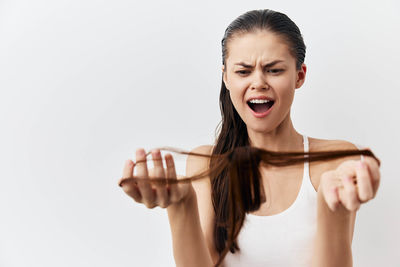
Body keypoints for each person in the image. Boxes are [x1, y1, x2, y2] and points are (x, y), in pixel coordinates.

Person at [119, 9, 381, 267]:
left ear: (299, 76)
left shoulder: (334, 161)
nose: (258, 82)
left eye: (274, 70)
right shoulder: (207, 164)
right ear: (226, 77)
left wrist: (332, 209)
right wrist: (180, 205)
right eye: (243, 72)